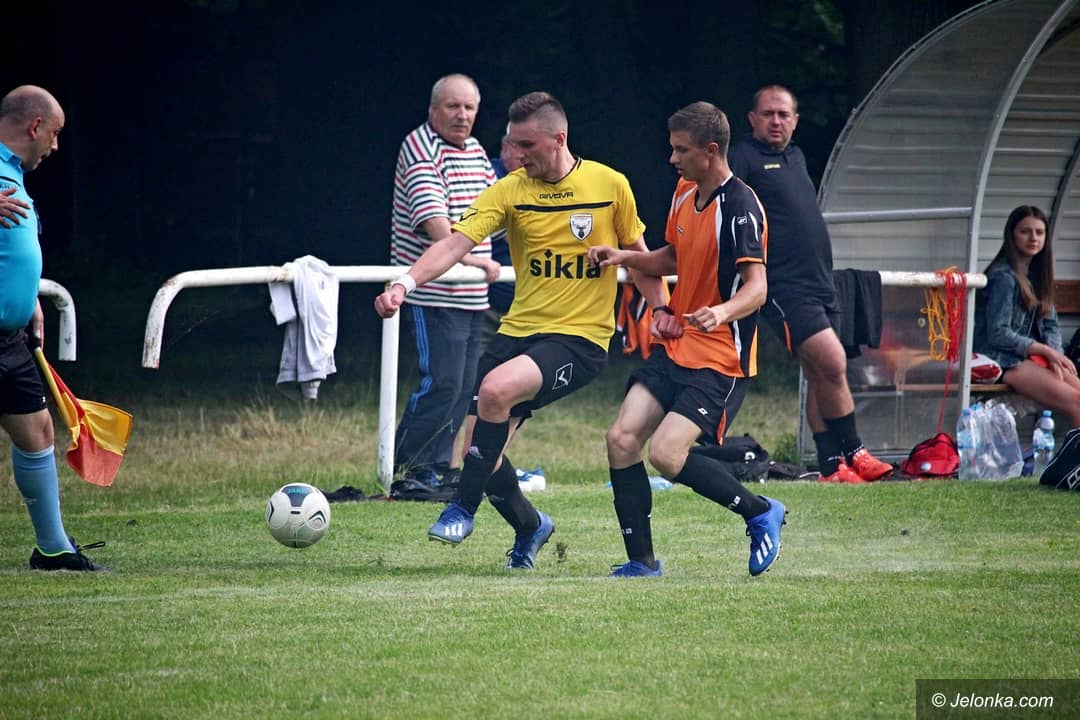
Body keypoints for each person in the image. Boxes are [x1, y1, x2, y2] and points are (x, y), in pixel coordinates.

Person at [375, 91, 666, 570]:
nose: (516, 154)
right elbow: (454, 245)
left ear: (559, 139)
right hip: (517, 333)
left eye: (527, 145)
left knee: (494, 391)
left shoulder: (609, 184)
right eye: (512, 143)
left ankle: (460, 509)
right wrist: (405, 284)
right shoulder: (510, 189)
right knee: (480, 454)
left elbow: (642, 258)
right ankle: (531, 526)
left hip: (580, 339)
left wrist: (662, 312)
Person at [589, 102, 786, 577]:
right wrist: (623, 257)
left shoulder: (740, 207)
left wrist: (720, 312)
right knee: (621, 439)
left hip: (721, 358)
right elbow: (674, 258)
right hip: (677, 346)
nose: (672, 159)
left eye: (681, 150)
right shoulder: (684, 192)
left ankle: (760, 511)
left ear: (710, 151)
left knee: (666, 454)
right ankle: (642, 563)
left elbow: (757, 289)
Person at [728, 85, 893, 484]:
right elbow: (729, 214)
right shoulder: (742, 158)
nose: (776, 121)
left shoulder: (796, 156)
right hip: (783, 286)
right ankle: (856, 452)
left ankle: (831, 467)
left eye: (783, 114)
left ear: (795, 121)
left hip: (820, 281)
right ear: (752, 119)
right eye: (768, 114)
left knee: (821, 373)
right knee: (833, 362)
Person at [0, 85, 105, 571]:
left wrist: (30, 299)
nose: (56, 146)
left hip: (10, 337)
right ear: (36, 126)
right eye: (55, 134)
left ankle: (53, 548)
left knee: (38, 431)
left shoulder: (14, 176)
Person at [390, 74, 501, 487]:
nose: (462, 115)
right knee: (443, 382)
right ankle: (410, 469)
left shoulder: (476, 150)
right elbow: (433, 220)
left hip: (473, 293)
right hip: (434, 290)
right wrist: (470, 257)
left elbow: (500, 210)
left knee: (464, 387)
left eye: (469, 107)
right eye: (453, 106)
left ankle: (438, 467)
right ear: (434, 109)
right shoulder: (420, 146)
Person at [974, 205, 1080, 427]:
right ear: (1011, 235)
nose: (1033, 238)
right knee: (1076, 402)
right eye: (1025, 231)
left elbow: (1050, 324)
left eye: (1039, 232)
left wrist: (1055, 357)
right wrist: (1044, 351)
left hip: (1028, 358)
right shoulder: (1003, 277)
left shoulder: (1037, 276)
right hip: (1002, 359)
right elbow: (997, 333)